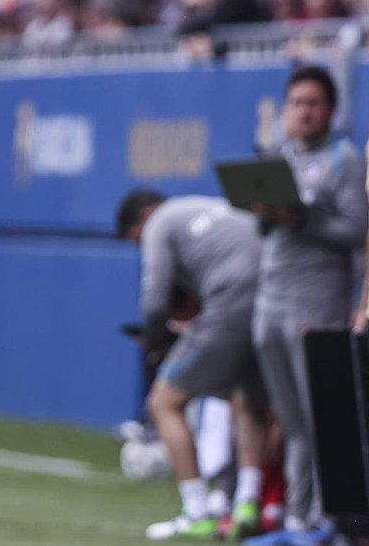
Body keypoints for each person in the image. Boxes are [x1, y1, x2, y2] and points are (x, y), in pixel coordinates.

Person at [246, 65, 368, 546]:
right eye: (296, 103)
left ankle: (327, 518)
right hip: (270, 296)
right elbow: (266, 230)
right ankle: (296, 518)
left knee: (323, 415)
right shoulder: (280, 157)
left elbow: (356, 232)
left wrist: (301, 222)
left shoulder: (344, 158)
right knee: (291, 418)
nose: (304, 112)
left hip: (316, 298)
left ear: (331, 110)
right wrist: (268, 215)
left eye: (313, 103)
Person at [116, 190, 269, 541]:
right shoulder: (202, 207)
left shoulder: (159, 225)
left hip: (230, 301)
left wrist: (155, 341)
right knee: (248, 400)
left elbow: (154, 301)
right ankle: (248, 503)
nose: (140, 247)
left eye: (135, 241)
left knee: (163, 403)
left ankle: (197, 511)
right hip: (272, 295)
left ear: (144, 218)